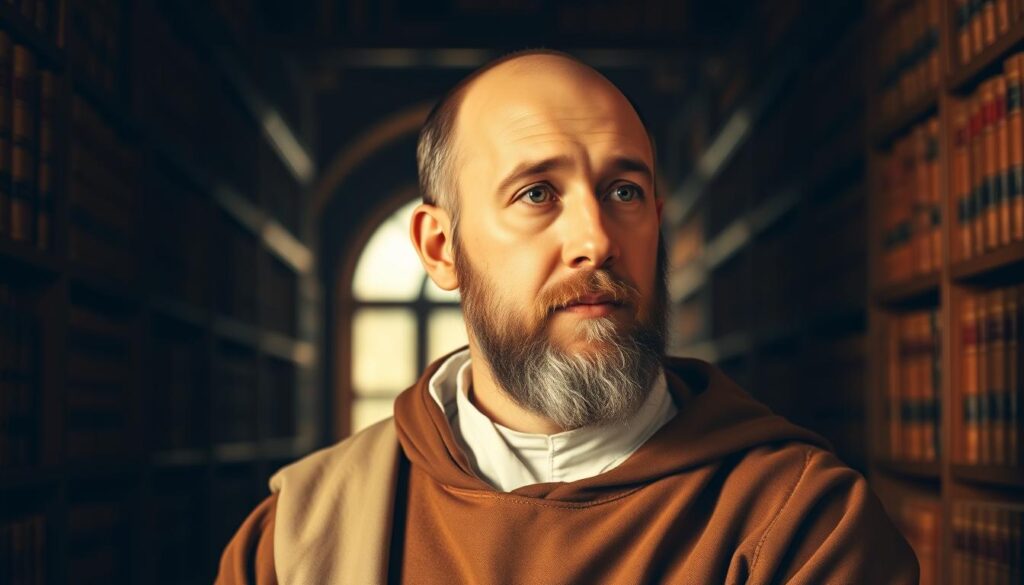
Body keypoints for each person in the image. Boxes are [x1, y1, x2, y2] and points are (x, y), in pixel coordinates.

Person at [216, 49, 918, 584]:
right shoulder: (302, 533)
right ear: (440, 248)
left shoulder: (803, 525)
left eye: (624, 191)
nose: (596, 239)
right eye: (537, 193)